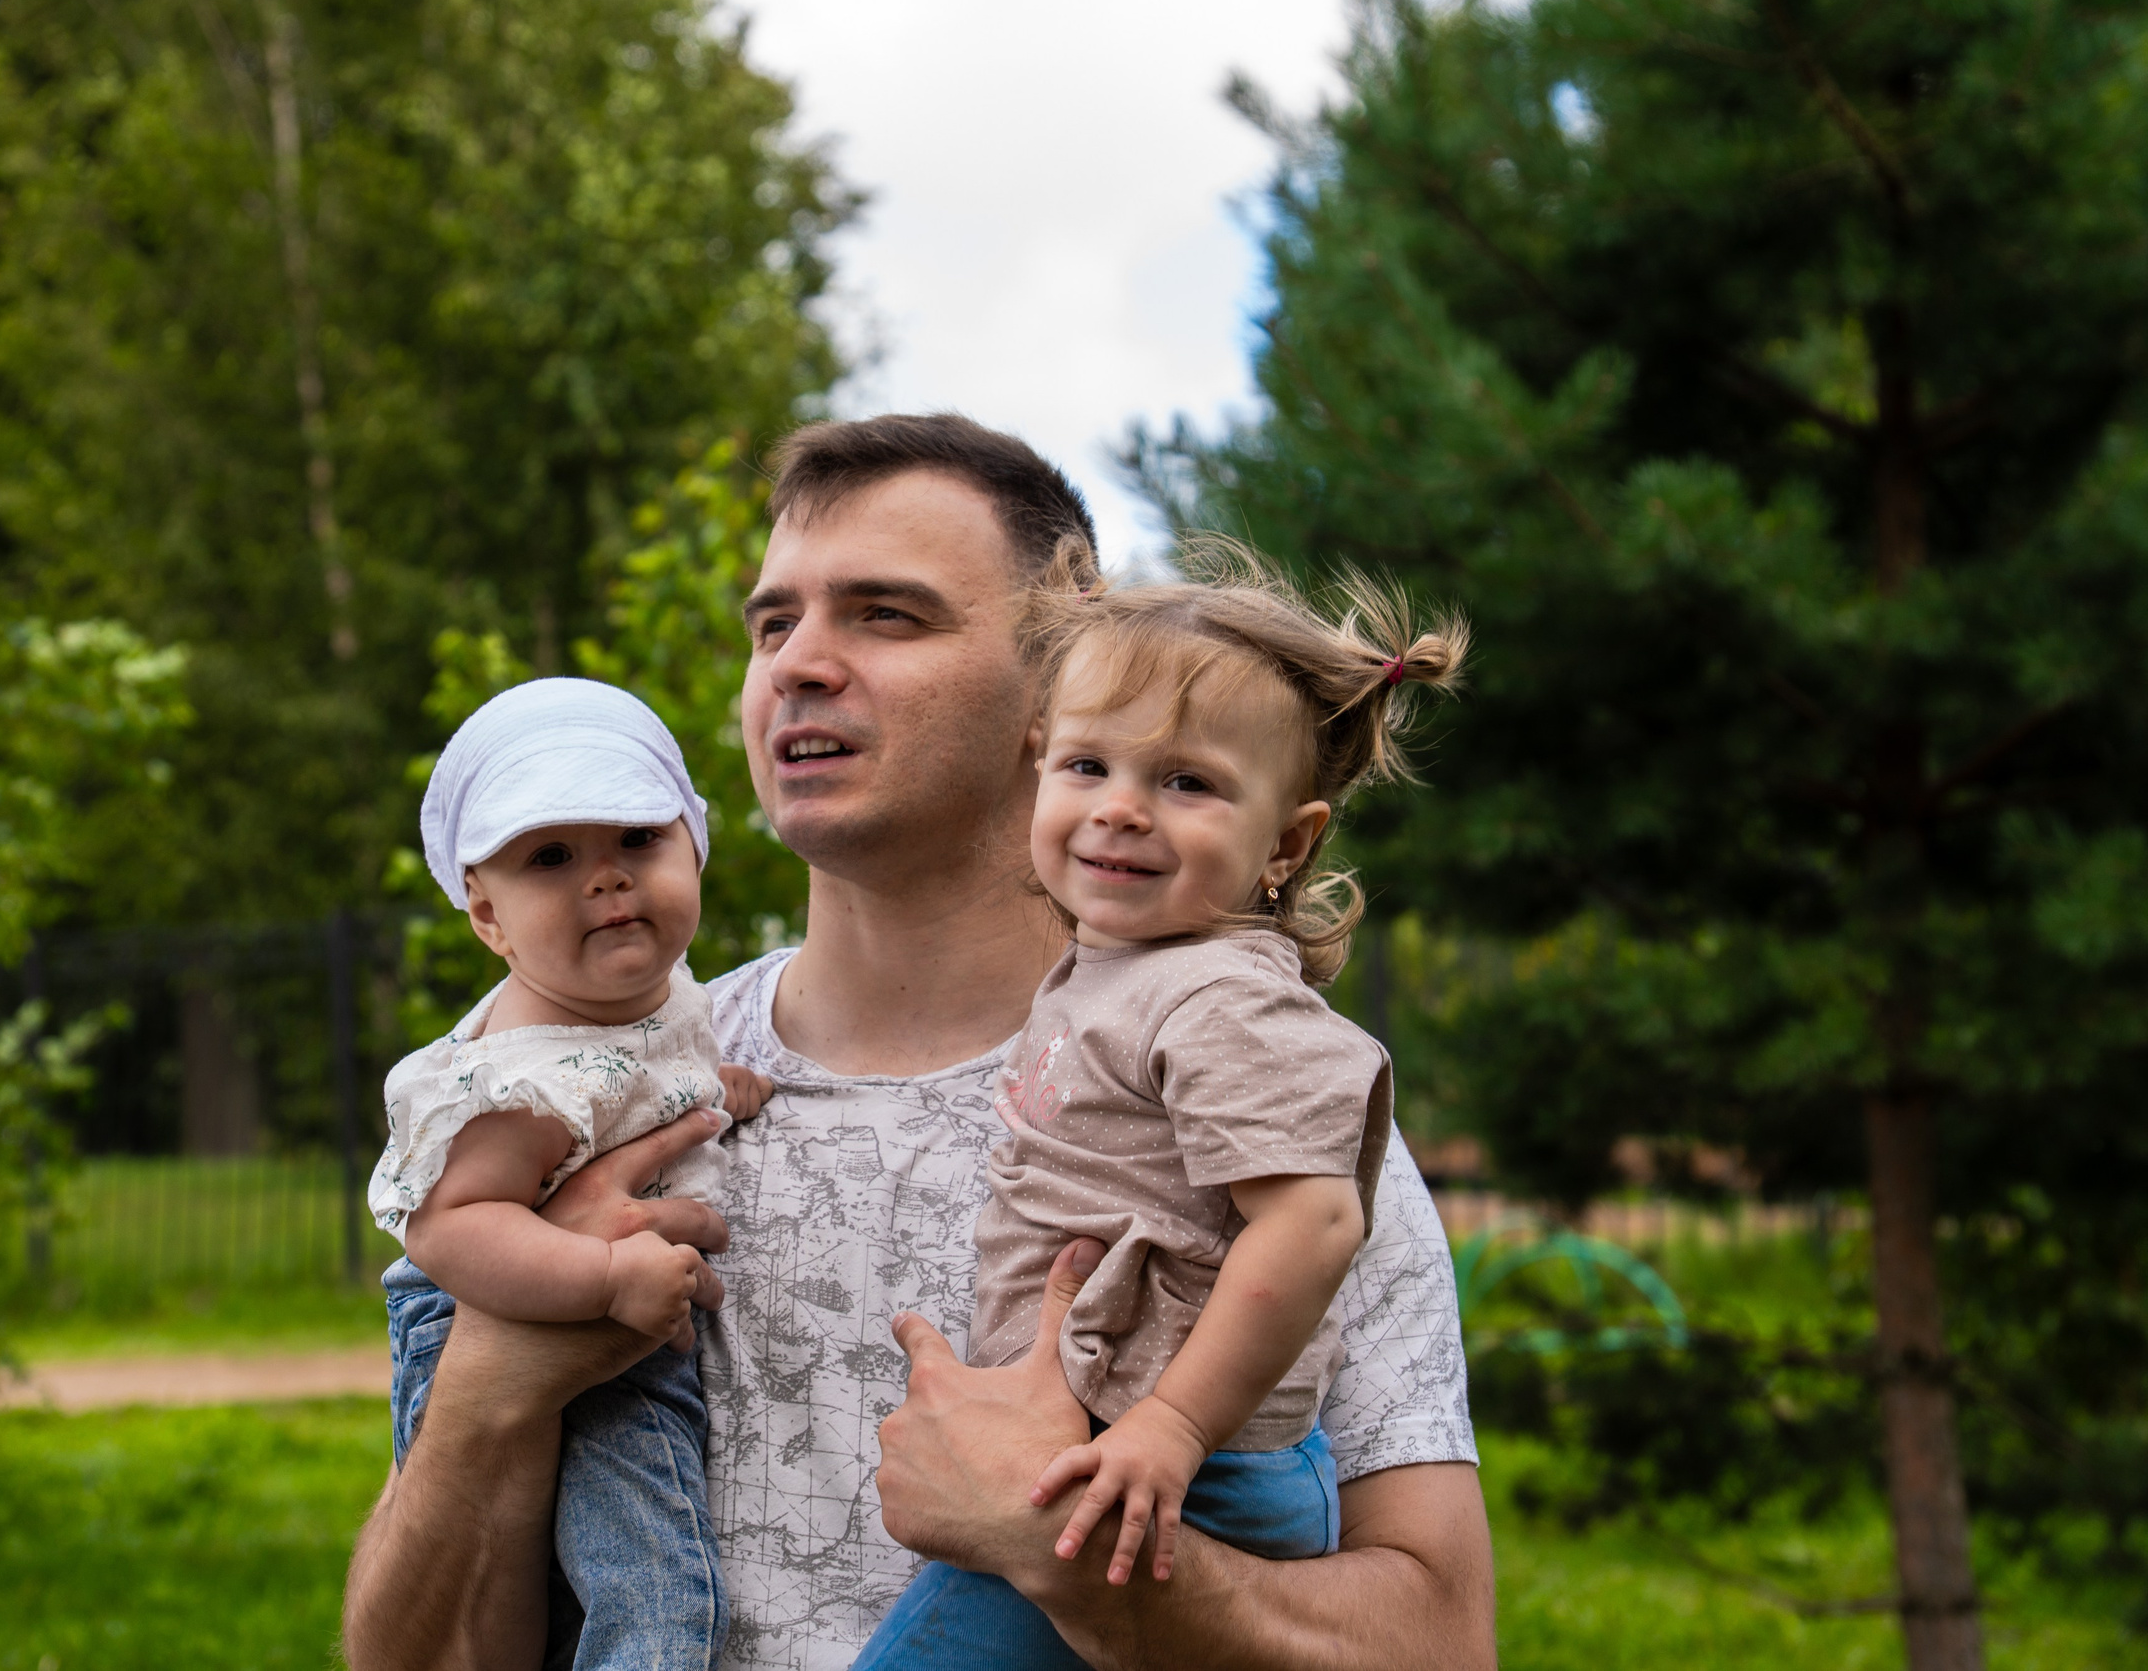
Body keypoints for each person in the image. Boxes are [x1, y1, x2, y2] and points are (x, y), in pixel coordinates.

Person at [344, 414, 1495, 1671]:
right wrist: (483, 1396)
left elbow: (1438, 1641)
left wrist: (1064, 1553)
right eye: (773, 624)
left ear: (1059, 684)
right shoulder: (611, 1096)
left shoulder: (1243, 1100)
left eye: (886, 615)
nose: (799, 665)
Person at [852, 550, 1467, 1667]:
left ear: (1286, 843)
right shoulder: (1122, 970)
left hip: (1179, 1472)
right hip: (1117, 1447)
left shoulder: (1222, 996)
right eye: (1087, 764)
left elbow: (1314, 1222)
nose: (1122, 810)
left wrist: (1172, 1429)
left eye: (1187, 783)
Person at [367, 677, 774, 1671]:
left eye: (638, 840)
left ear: (694, 846)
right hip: (518, 1301)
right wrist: (604, 1283)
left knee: (615, 1573)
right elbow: (449, 1228)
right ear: (489, 919)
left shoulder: (645, 999)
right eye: (551, 858)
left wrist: (705, 1095)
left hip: (611, 1301)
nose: (607, 879)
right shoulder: (520, 1077)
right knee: (652, 1585)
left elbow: (631, 1080)